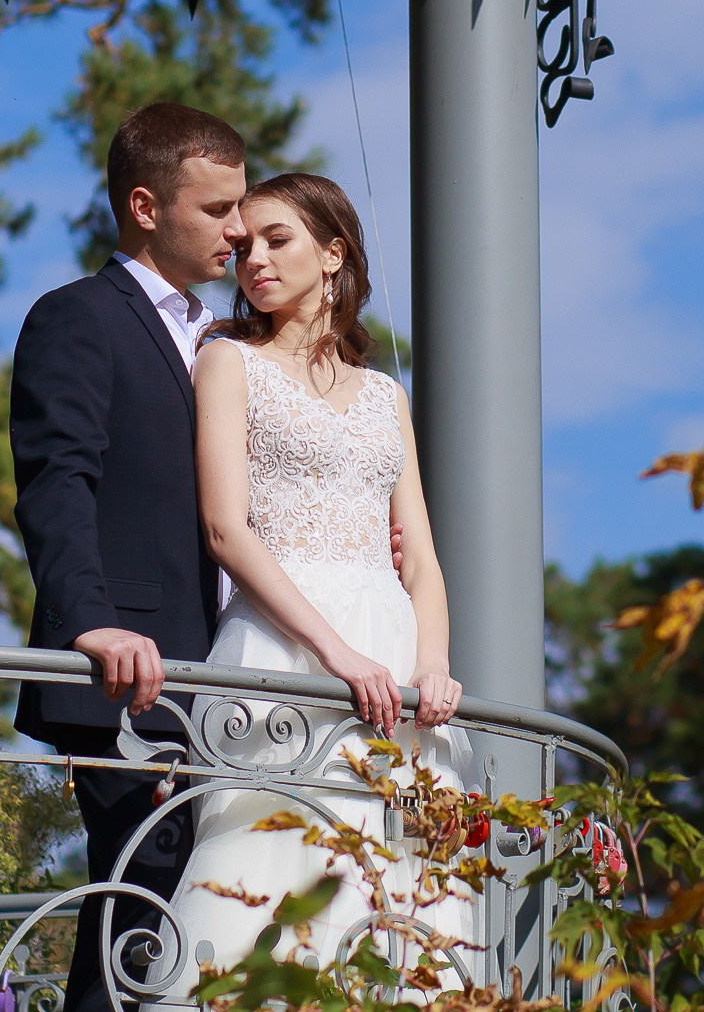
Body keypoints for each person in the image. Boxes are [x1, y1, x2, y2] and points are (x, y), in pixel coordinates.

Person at [165, 172, 475, 993]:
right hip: (286, 648)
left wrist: (432, 668)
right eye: (242, 248)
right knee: (273, 868)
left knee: (406, 887)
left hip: (394, 656)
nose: (253, 260)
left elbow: (422, 559)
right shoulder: (228, 362)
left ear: (333, 252)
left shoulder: (386, 397)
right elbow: (226, 528)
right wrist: (336, 654)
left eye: (277, 239)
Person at [11, 102, 246, 1012]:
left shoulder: (231, 342)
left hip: (234, 671)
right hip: (130, 670)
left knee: (201, 914)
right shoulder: (76, 318)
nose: (238, 229)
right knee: (146, 909)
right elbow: (56, 481)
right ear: (145, 207)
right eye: (217, 209)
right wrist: (90, 619)